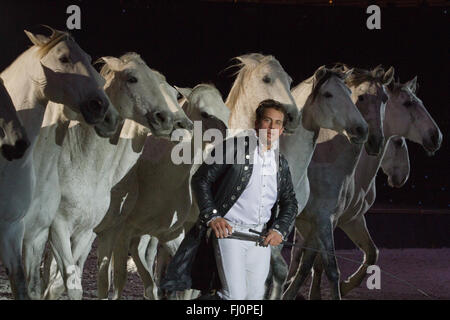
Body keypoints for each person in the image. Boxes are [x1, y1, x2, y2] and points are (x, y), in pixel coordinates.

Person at [160, 99, 298, 300]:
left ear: (282, 130)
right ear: (256, 123)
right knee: (233, 296)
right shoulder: (233, 148)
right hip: (229, 234)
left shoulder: (281, 163)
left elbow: (290, 201)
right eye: (267, 121)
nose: (271, 127)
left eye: (277, 123)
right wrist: (213, 216)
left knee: (255, 298)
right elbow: (201, 179)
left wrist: (280, 229)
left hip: (261, 238)